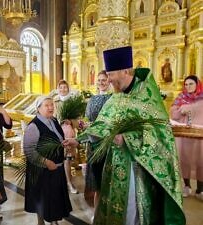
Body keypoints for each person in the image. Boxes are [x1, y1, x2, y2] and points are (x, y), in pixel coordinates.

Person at [63, 46, 185, 225]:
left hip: (138, 169)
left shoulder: (147, 96)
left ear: (126, 71)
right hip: (114, 165)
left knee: (133, 213)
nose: (109, 79)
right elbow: (102, 126)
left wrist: (127, 138)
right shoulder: (116, 98)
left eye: (111, 74)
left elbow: (159, 133)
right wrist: (77, 140)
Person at [24, 96, 72, 225]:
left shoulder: (54, 120)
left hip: (56, 167)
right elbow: (29, 151)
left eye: (52, 105)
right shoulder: (33, 126)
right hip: (42, 170)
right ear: (38, 108)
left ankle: (54, 220)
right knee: (43, 199)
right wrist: (46, 162)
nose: (51, 107)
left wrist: (63, 144)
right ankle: (41, 222)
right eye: (47, 105)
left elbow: (56, 138)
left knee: (55, 198)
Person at [170, 75, 203, 200]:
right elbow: (173, 113)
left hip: (199, 135)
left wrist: (191, 109)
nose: (188, 87)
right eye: (186, 84)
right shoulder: (180, 98)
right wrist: (180, 111)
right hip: (184, 135)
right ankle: (187, 186)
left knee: (200, 161)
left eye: (191, 84)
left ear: (197, 84)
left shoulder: (202, 97)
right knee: (185, 160)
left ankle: (200, 189)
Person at [84, 70, 111, 213]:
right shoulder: (92, 99)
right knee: (97, 182)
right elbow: (86, 119)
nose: (101, 82)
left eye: (104, 80)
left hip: (108, 143)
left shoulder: (114, 98)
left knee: (107, 180)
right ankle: (96, 213)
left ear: (109, 81)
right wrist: (85, 124)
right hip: (94, 143)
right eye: (99, 80)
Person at [54, 80, 79, 194]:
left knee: (67, 160)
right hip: (56, 134)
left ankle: (69, 183)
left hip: (68, 134)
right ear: (57, 89)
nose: (63, 90)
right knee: (58, 160)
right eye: (61, 87)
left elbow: (78, 120)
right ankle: (60, 183)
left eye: (65, 87)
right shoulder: (54, 102)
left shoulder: (72, 102)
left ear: (68, 89)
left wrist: (70, 121)